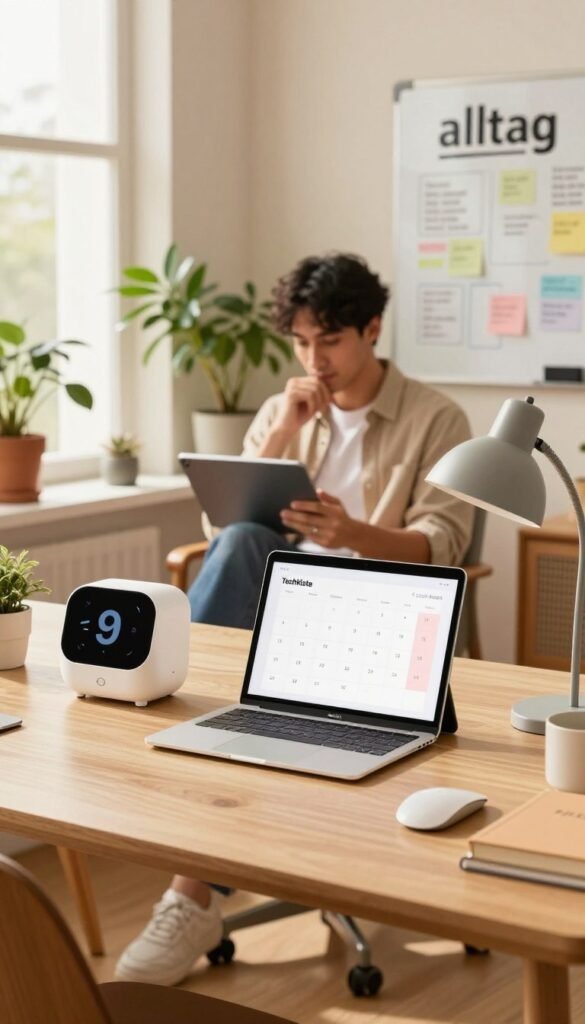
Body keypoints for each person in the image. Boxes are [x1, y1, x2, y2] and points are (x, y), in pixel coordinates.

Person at [115, 252, 473, 987]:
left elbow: (443, 544)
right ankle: (199, 753)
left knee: (244, 629)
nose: (316, 359)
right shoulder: (290, 408)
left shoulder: (438, 418)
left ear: (372, 329)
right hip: (275, 611)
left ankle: (191, 888)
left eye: (331, 341)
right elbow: (223, 535)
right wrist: (282, 429)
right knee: (247, 540)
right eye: (302, 342)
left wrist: (354, 537)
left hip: (373, 608)